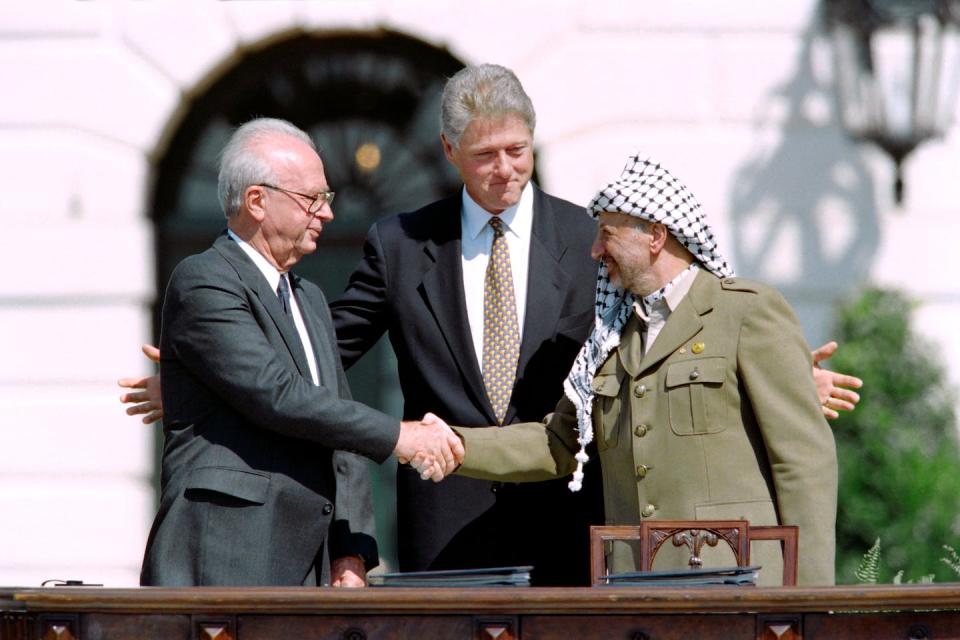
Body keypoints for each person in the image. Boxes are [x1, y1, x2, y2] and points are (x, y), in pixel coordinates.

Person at [121, 65, 861, 585]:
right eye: (486, 156)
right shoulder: (401, 242)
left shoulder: (592, 238)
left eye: (518, 151)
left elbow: (658, 345)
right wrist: (205, 377)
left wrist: (780, 377)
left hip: (582, 526)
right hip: (448, 528)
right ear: (449, 154)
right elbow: (321, 356)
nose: (506, 169)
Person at [417, 153, 839, 586]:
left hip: (737, 584)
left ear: (656, 236)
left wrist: (808, 601)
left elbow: (803, 462)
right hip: (634, 587)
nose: (595, 250)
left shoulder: (745, 312)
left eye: (606, 234)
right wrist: (455, 445)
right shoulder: (610, 338)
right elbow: (558, 442)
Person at [139, 117, 462, 587]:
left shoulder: (307, 296)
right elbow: (278, 394)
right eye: (313, 199)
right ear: (257, 202)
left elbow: (335, 415)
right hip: (225, 555)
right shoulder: (204, 279)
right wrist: (400, 436)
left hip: (307, 565)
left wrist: (353, 549)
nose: (327, 213)